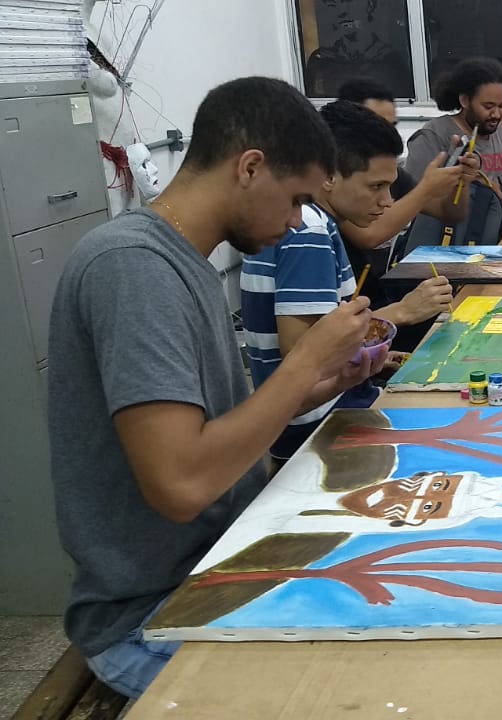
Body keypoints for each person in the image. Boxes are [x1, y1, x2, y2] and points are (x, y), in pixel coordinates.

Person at [46, 77, 382, 699]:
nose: (296, 222)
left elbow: (218, 432)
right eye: (296, 199)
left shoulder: (184, 263)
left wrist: (318, 383)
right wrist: (305, 361)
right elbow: (182, 485)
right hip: (154, 611)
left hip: (220, 565)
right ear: (250, 167)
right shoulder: (134, 268)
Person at [241, 101, 456, 462]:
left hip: (331, 413)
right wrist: (401, 313)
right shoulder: (308, 230)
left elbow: (319, 341)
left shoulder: (310, 222)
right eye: (376, 186)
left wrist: (365, 357)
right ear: (328, 176)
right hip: (323, 431)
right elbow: (305, 354)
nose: (387, 202)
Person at [333, 77, 479, 308]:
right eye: (377, 125)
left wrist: (459, 181)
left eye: (392, 125)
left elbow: (451, 213)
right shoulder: (337, 185)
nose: (387, 135)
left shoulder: (393, 175)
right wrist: (426, 189)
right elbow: (368, 235)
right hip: (360, 306)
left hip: (380, 294)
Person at [405, 57, 502, 225]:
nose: (497, 114)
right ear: (465, 101)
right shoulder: (432, 136)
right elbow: (412, 199)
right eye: (488, 107)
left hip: (498, 233)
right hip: (450, 236)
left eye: (501, 106)